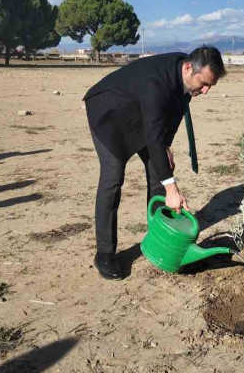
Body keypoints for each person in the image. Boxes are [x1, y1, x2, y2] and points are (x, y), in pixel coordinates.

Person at [83, 45, 226, 280]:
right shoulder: (156, 82)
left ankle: (161, 239)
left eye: (211, 85)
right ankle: (104, 253)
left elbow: (170, 116)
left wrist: (165, 147)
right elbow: (153, 131)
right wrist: (172, 187)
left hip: (141, 115)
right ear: (189, 68)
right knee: (113, 177)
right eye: (204, 83)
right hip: (109, 114)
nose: (206, 90)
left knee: (160, 169)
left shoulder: (185, 77)